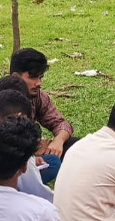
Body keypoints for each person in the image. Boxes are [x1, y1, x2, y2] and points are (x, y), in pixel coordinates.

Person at [10, 48, 76, 183]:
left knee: (74, 147)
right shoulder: (3, 100)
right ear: (16, 77)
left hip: (31, 152)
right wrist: (33, 150)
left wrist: (58, 141)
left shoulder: (37, 96)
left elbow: (60, 123)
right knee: (53, 163)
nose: (38, 83)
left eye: (40, 77)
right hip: (9, 161)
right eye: (33, 77)